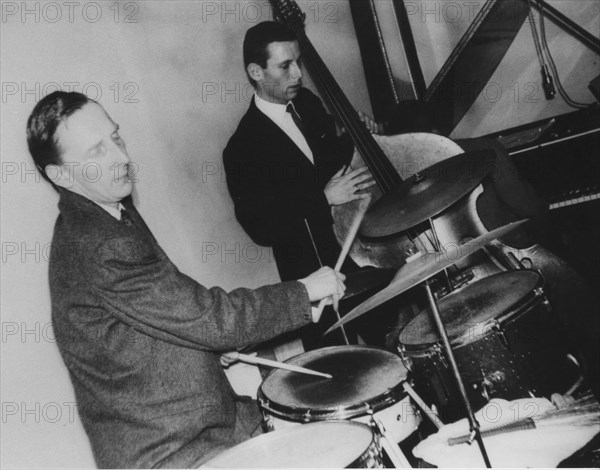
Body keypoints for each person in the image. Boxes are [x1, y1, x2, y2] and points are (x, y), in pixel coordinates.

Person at [26, 91, 345, 468]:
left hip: (198, 427)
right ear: (61, 175)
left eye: (116, 138)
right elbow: (210, 317)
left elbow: (160, 309)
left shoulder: (105, 211)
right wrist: (303, 291)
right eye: (97, 151)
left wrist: (202, 347)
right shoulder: (100, 243)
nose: (122, 158)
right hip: (170, 451)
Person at [223, 21, 375, 284]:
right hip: (315, 271)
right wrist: (323, 198)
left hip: (357, 246)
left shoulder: (306, 102)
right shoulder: (242, 148)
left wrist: (354, 132)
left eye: (298, 62)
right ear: (256, 72)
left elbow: (330, 164)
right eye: (285, 66)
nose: (297, 74)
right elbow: (261, 227)